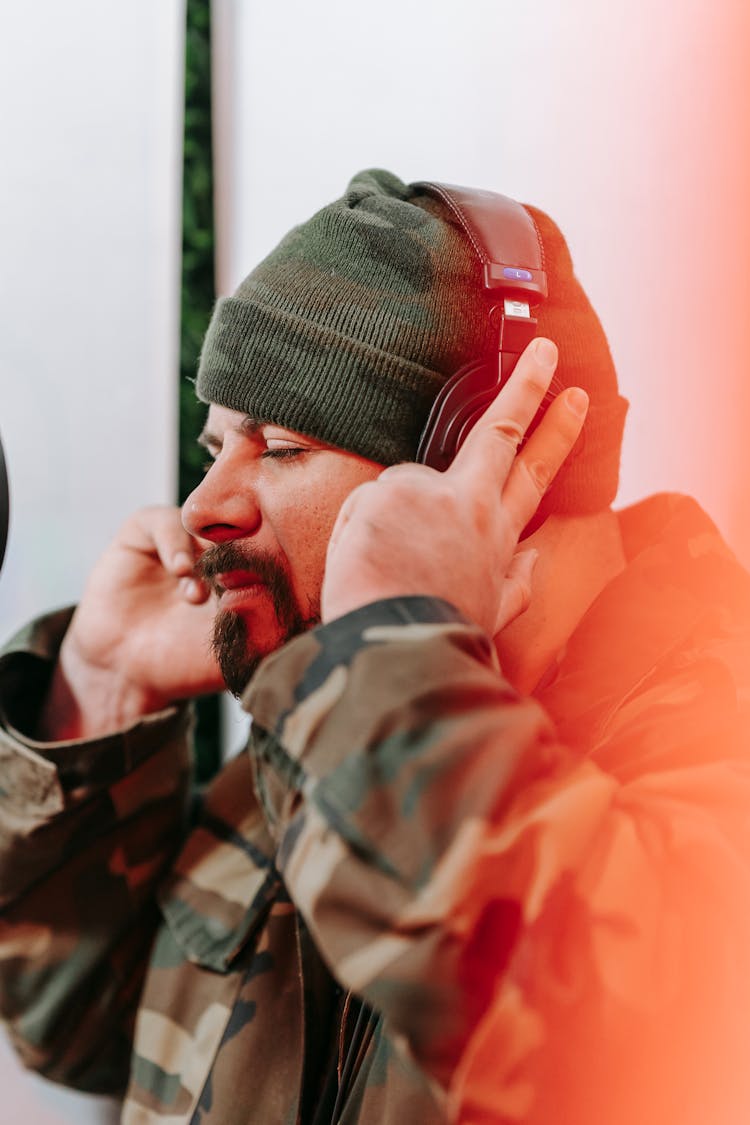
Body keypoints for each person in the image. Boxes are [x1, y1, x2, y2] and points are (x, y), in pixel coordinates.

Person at [1, 168, 749, 1125]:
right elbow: (77, 1028)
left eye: (278, 447)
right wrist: (98, 695)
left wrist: (392, 651)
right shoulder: (330, 722)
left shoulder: (709, 752)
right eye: (212, 447)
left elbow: (594, 1027)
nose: (201, 507)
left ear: (480, 455)